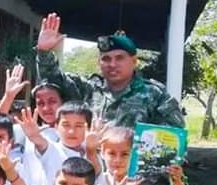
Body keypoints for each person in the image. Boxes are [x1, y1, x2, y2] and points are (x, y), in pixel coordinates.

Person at [33, 13, 186, 129]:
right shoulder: (89, 88)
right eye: (106, 59)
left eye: (119, 58)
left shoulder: (154, 94)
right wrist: (44, 51)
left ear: (133, 61)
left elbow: (173, 134)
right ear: (99, 62)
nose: (112, 64)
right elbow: (53, 79)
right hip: (91, 168)